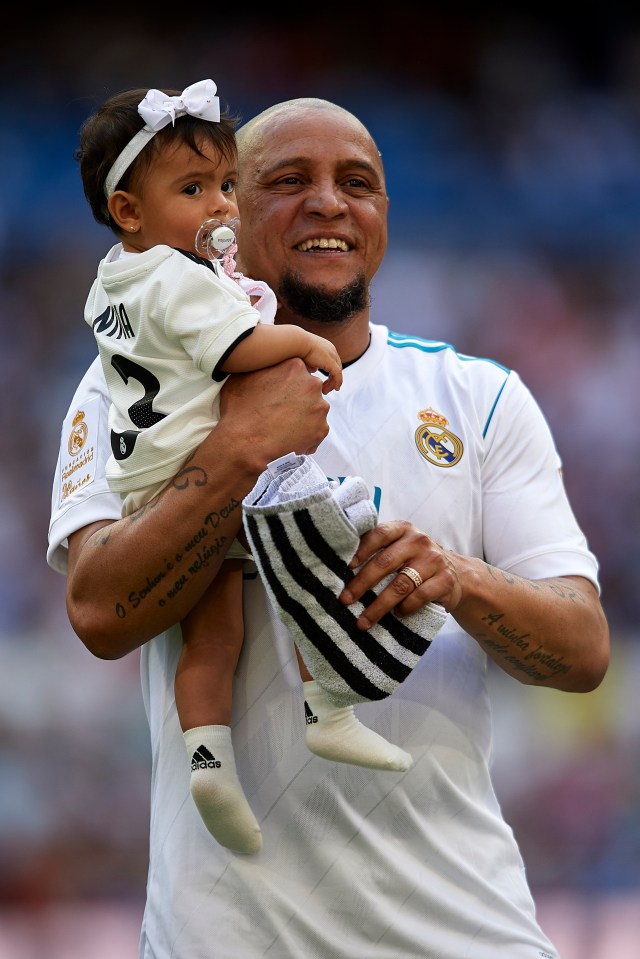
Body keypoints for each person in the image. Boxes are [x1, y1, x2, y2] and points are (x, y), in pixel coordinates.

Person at [48, 94, 610, 958]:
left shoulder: (479, 398)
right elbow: (98, 611)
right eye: (288, 180)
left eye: (359, 182)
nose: (329, 202)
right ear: (226, 207)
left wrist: (454, 577)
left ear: (384, 214)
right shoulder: (127, 386)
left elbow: (580, 649)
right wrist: (238, 450)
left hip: (465, 934)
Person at [76, 80, 415, 857]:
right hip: (206, 472)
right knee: (322, 550)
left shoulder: (113, 282)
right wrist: (303, 344)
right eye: (195, 190)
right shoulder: (175, 278)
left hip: (146, 482)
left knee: (214, 637)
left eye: (227, 185)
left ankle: (209, 756)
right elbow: (235, 348)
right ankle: (328, 710)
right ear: (130, 212)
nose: (219, 206)